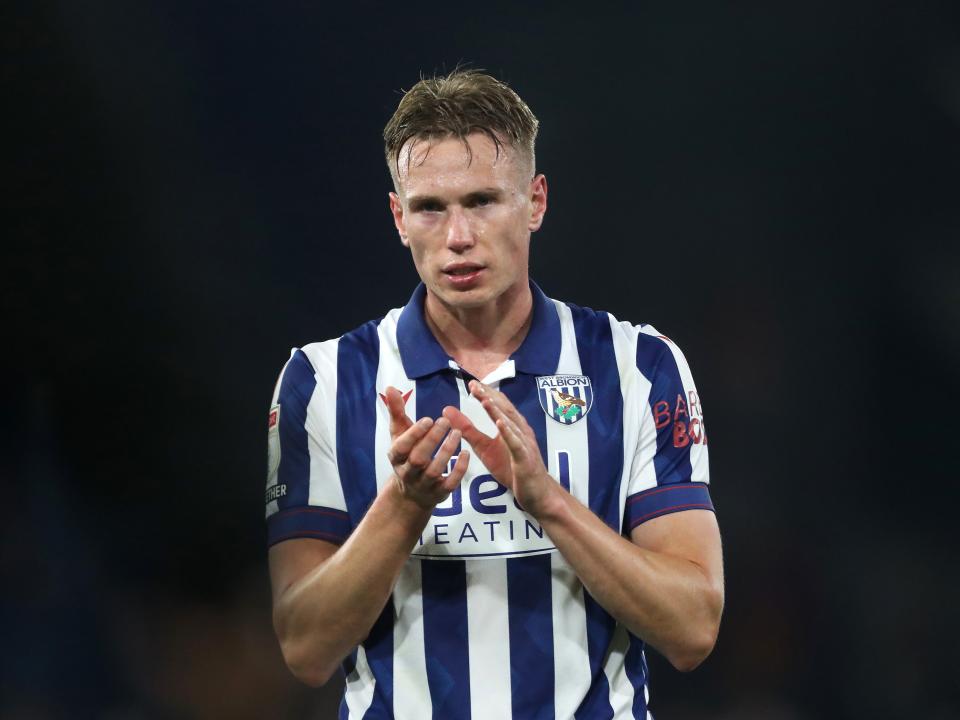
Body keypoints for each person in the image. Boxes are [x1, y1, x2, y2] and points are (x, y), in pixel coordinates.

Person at [265, 69, 723, 720]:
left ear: (535, 202)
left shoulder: (638, 367)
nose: (457, 236)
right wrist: (404, 506)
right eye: (430, 207)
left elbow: (694, 629)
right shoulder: (322, 381)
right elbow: (304, 649)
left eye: (482, 201)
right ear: (399, 218)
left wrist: (549, 503)